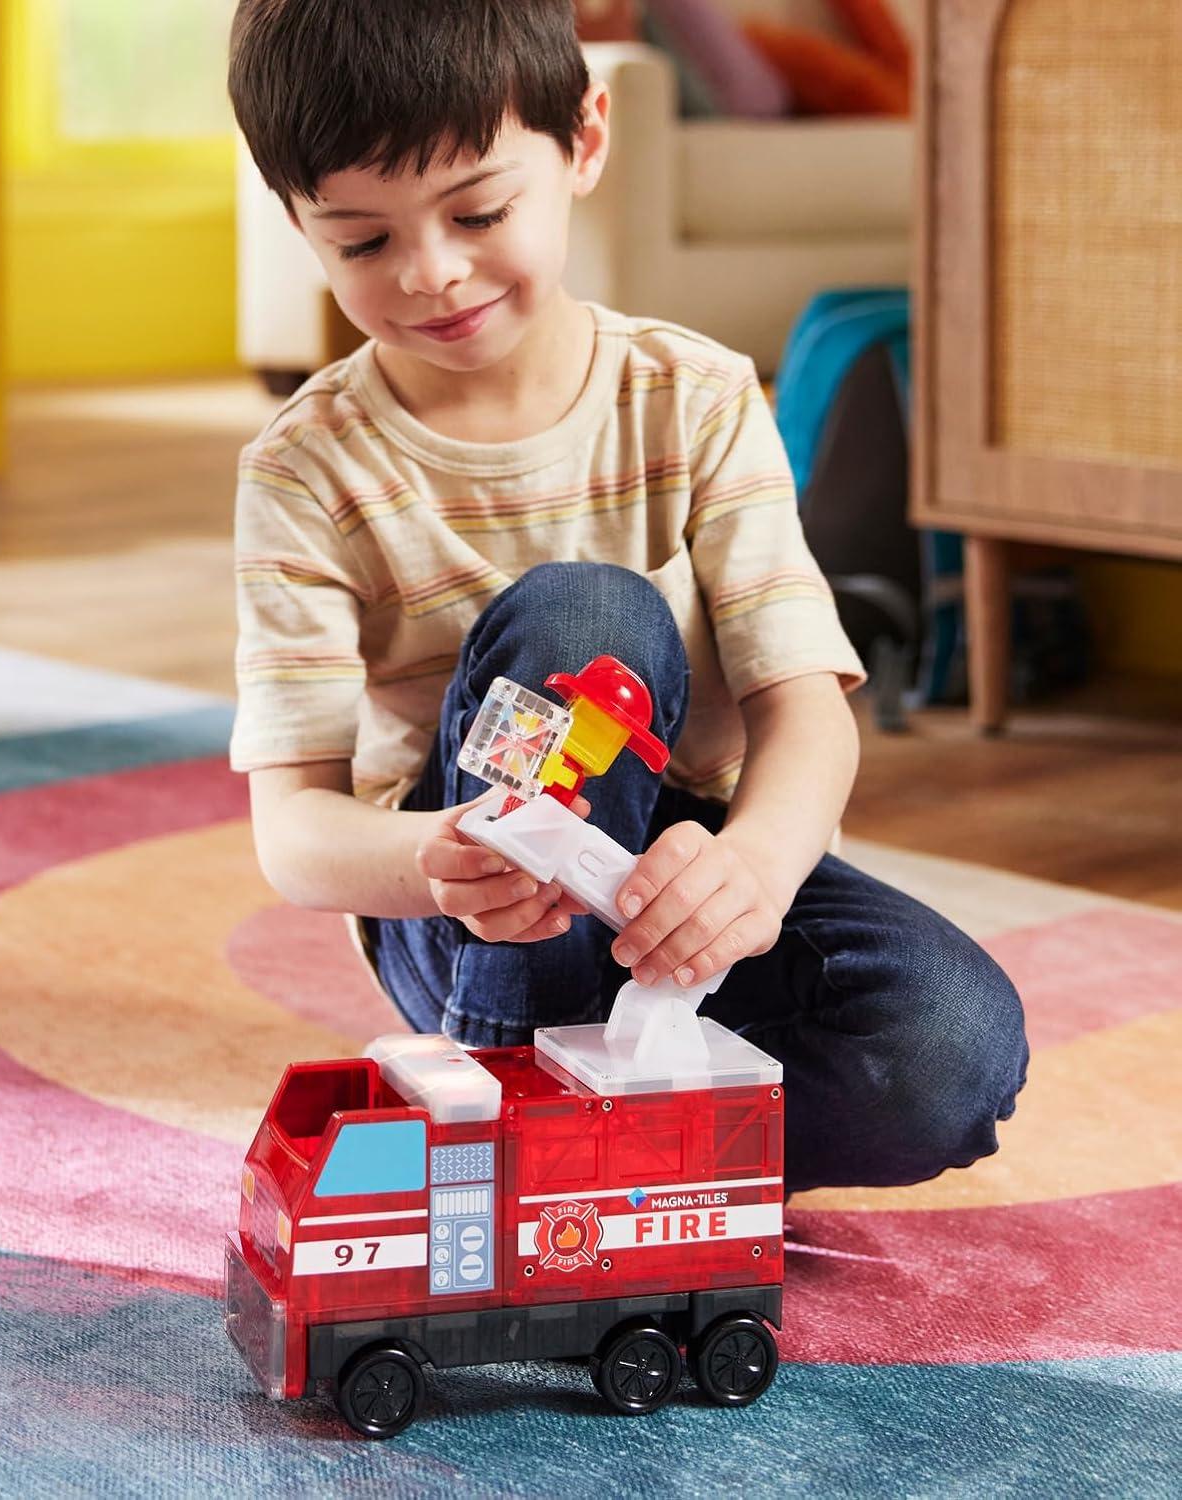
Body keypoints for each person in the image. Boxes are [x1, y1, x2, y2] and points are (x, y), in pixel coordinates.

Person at [224, 0, 1026, 1192]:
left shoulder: (697, 398)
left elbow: (804, 710)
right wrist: (434, 861)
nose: (431, 271)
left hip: (690, 881)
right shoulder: (304, 468)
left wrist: (752, 869)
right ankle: (512, 1096)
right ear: (300, 222)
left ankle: (607, 1153)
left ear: (585, 139)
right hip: (465, 922)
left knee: (949, 1048)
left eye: (478, 212)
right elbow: (294, 836)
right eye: (361, 243)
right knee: (588, 622)